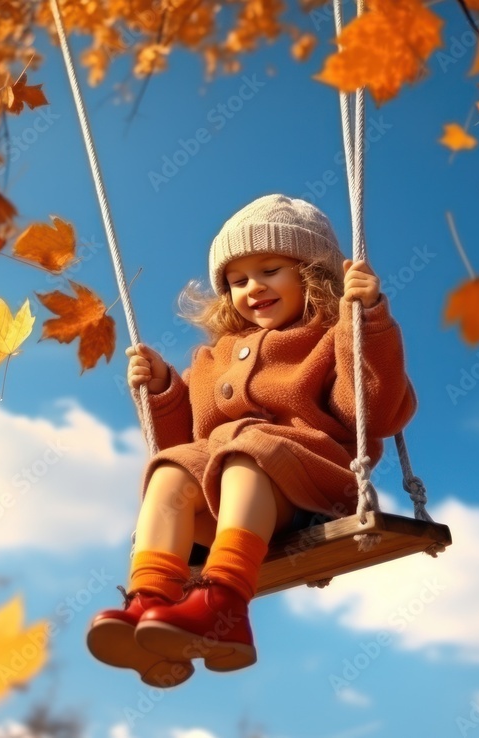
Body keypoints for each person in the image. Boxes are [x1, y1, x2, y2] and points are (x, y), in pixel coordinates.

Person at [86, 193, 416, 688]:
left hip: (309, 488)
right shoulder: (211, 358)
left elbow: (370, 409)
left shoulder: (332, 337)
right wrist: (164, 392)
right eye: (237, 280)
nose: (252, 288)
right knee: (172, 470)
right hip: (228, 495)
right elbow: (185, 445)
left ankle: (223, 602)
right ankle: (152, 602)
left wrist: (365, 323)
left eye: (269, 270)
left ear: (311, 273)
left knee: (246, 451)